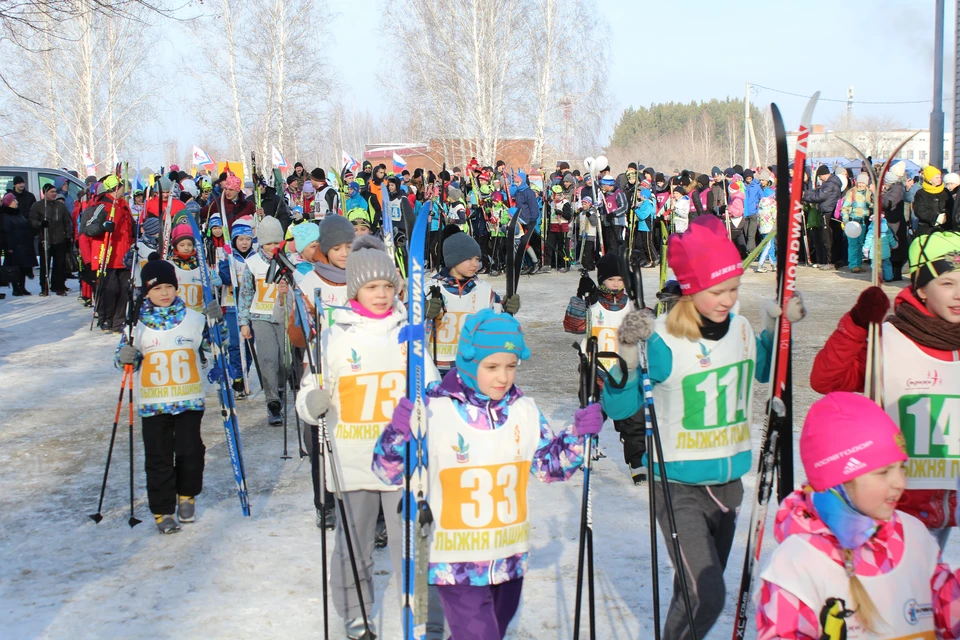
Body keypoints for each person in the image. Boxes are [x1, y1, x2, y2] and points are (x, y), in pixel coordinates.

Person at [601, 215, 804, 640]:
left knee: (690, 591)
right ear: (690, 290)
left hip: (730, 484)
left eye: (734, 288)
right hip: (677, 487)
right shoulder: (662, 339)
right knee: (707, 595)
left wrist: (776, 327)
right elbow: (620, 406)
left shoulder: (743, 329)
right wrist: (626, 357)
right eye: (717, 291)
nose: (728, 299)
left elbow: (764, 371)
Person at [372, 309, 604, 640]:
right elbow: (388, 472)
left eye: (510, 366)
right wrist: (397, 432)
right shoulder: (434, 411)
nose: (503, 377)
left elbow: (549, 467)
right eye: (491, 367)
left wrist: (578, 434)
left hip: (508, 555)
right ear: (468, 364)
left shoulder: (523, 411)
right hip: (455, 561)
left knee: (490, 629)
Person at [296, 235, 443, 640]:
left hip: (402, 461)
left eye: (387, 286)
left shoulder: (409, 334)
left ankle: (424, 616)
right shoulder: (335, 334)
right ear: (355, 288)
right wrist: (314, 402)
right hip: (353, 459)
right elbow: (308, 395)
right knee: (353, 545)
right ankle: (356, 612)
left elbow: (432, 391)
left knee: (413, 544)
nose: (380, 294)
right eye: (371, 287)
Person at [756, 392, 960, 640]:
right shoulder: (798, 563)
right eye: (884, 472)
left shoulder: (915, 538)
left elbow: (951, 613)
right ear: (840, 481)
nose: (899, 482)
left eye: (901, 467)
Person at [810, 231, 960, 548]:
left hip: (946, 503)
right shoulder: (889, 338)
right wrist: (857, 324)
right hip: (893, 504)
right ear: (920, 288)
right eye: (947, 283)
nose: (959, 294)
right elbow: (827, 380)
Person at [115, 255, 223, 533]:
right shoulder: (135, 325)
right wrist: (125, 356)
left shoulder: (194, 319)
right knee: (158, 458)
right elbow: (124, 359)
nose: (163, 294)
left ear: (176, 288)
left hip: (189, 400)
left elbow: (217, 346)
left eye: (168, 287)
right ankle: (162, 510)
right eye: (156, 289)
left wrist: (217, 323)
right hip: (153, 405)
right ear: (146, 292)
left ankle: (186, 494)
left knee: (191, 452)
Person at [291, 214, 355, 530]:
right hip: (318, 369)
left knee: (353, 437)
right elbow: (296, 337)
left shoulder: (363, 276)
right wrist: (302, 322)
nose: (344, 253)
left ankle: (362, 504)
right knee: (319, 441)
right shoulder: (310, 281)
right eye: (337, 247)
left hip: (356, 370)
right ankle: (324, 503)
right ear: (325, 249)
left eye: (349, 246)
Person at [565, 253, 644, 482]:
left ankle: (638, 461)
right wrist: (580, 299)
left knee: (633, 419)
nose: (616, 284)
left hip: (625, 373)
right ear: (602, 280)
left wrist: (651, 308)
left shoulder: (631, 304)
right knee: (592, 413)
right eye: (611, 280)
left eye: (620, 280)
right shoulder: (592, 303)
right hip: (595, 370)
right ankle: (588, 446)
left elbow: (648, 327)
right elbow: (573, 326)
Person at [425, 231, 520, 375]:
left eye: (477, 259)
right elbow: (403, 314)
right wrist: (422, 309)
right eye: (469, 259)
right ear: (454, 259)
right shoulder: (430, 288)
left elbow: (496, 317)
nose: (475, 264)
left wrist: (508, 308)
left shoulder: (483, 289)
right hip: (436, 367)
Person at [238, 215, 287, 425]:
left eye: (276, 242)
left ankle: (280, 388)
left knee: (283, 361)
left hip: (284, 316)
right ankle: (272, 402)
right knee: (268, 359)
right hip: (261, 316)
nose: (272, 247)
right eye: (268, 243)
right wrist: (243, 322)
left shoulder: (287, 260)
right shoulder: (252, 263)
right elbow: (246, 294)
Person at [82, 175, 135, 332]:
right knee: (110, 289)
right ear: (116, 188)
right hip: (108, 255)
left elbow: (130, 228)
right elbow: (89, 228)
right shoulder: (103, 206)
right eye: (122, 187)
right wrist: (104, 226)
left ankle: (118, 322)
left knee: (124, 290)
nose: (125, 190)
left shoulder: (124, 206)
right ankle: (105, 318)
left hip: (124, 256)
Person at [29, 183, 73, 296]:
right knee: (45, 265)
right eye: (51, 192)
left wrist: (68, 236)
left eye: (55, 192)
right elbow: (32, 221)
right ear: (45, 192)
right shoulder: (37, 206)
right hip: (45, 239)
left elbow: (67, 222)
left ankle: (58, 286)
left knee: (59, 265)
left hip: (59, 239)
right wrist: (40, 224)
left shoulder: (60, 206)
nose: (54, 194)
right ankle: (44, 287)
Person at [802, 165, 842, 270]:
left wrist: (804, 196)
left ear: (825, 174)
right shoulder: (831, 183)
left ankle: (829, 261)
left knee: (827, 238)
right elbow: (817, 192)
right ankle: (827, 260)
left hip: (828, 212)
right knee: (827, 237)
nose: (819, 179)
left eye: (820, 176)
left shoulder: (830, 184)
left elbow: (820, 196)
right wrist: (806, 193)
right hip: (828, 211)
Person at [1, 191, 36, 296]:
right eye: (14, 200)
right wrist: (9, 246)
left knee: (23, 267)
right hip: (14, 246)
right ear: (9, 202)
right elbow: (6, 232)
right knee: (14, 268)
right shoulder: (5, 215)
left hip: (24, 244)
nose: (16, 202)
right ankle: (16, 288)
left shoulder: (18, 213)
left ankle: (22, 287)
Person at [841, 172, 874, 273]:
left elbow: (873, 206)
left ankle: (859, 263)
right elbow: (845, 208)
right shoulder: (852, 192)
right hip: (853, 222)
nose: (861, 185)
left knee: (860, 244)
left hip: (863, 222)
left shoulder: (869, 193)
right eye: (859, 182)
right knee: (853, 244)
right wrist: (846, 221)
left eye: (863, 183)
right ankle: (853, 265)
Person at [914, 165, 950, 236]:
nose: (939, 179)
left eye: (940, 177)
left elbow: (951, 206)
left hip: (944, 229)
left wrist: (946, 216)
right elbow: (919, 210)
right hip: (926, 230)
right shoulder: (921, 193)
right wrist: (936, 217)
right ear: (930, 179)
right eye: (936, 177)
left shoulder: (945, 192)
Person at [544, 184, 572, 272]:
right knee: (549, 246)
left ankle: (564, 264)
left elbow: (568, 216)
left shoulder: (565, 203)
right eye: (554, 194)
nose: (555, 196)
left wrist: (561, 213)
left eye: (557, 194)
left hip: (561, 228)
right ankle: (548, 264)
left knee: (562, 247)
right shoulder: (552, 202)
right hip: (553, 227)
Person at [742, 169, 762, 252]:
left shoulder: (757, 186)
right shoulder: (742, 186)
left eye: (750, 178)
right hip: (745, 213)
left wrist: (758, 209)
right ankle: (753, 252)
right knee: (746, 233)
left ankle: (750, 251)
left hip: (754, 213)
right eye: (747, 178)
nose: (748, 179)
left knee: (751, 234)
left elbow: (762, 198)